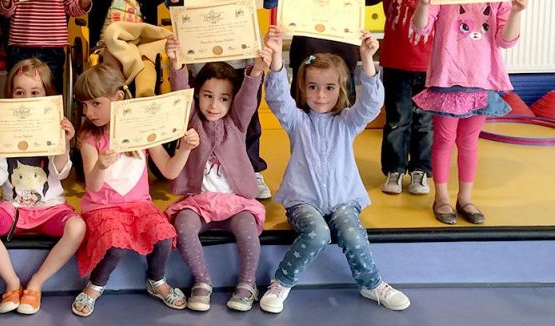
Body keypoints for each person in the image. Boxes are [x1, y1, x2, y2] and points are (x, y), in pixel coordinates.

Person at [260, 25, 410, 314]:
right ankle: (280, 282)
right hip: (304, 202)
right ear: (302, 88)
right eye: (313, 87)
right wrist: (277, 57)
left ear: (341, 89)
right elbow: (278, 99)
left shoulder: (347, 122)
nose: (320, 95)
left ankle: (372, 283)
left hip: (344, 200)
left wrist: (367, 60)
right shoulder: (297, 121)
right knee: (317, 232)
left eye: (329, 88)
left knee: (352, 233)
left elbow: (371, 104)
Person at [411, 0, 527, 225]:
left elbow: (505, 40)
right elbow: (421, 27)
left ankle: (465, 198)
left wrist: (516, 11)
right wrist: (424, 1)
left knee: (469, 141)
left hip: (481, 78)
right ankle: (442, 197)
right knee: (444, 139)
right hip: (448, 77)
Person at [71, 63, 199, 317]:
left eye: (96, 103)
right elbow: (93, 186)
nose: (89, 111)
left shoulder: (141, 130)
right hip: (102, 208)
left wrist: (184, 149)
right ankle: (95, 285)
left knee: (163, 237)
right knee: (115, 245)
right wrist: (100, 165)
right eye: (84, 105)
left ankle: (157, 279)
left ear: (118, 98)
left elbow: (169, 170)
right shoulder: (89, 138)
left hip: (139, 206)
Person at [167, 0, 278, 199]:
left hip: (240, 62)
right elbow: (175, 6)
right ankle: (201, 169)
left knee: (247, 116)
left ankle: (251, 168)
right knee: (201, 118)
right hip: (202, 62)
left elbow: (270, 0)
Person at [164, 36, 271, 312]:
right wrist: (176, 63)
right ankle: (202, 280)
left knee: (248, 229)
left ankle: (247, 283)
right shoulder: (191, 120)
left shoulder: (236, 121)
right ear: (197, 95)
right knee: (184, 227)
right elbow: (180, 91)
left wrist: (257, 70)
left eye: (223, 99)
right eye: (208, 96)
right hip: (198, 202)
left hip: (235, 202)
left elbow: (248, 98)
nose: (214, 105)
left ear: (231, 101)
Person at [0, 58, 86, 315]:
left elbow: (62, 172)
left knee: (78, 227)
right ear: (10, 95)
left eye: (35, 92)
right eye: (19, 92)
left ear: (47, 95)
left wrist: (64, 144)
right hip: (13, 208)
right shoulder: (2, 129)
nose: (27, 97)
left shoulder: (54, 126)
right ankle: (12, 282)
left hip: (50, 208)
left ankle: (36, 283)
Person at [379, 0, 437, 195]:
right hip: (396, 63)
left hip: (433, 67)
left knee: (424, 122)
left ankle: (420, 171)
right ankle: (394, 169)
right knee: (397, 119)